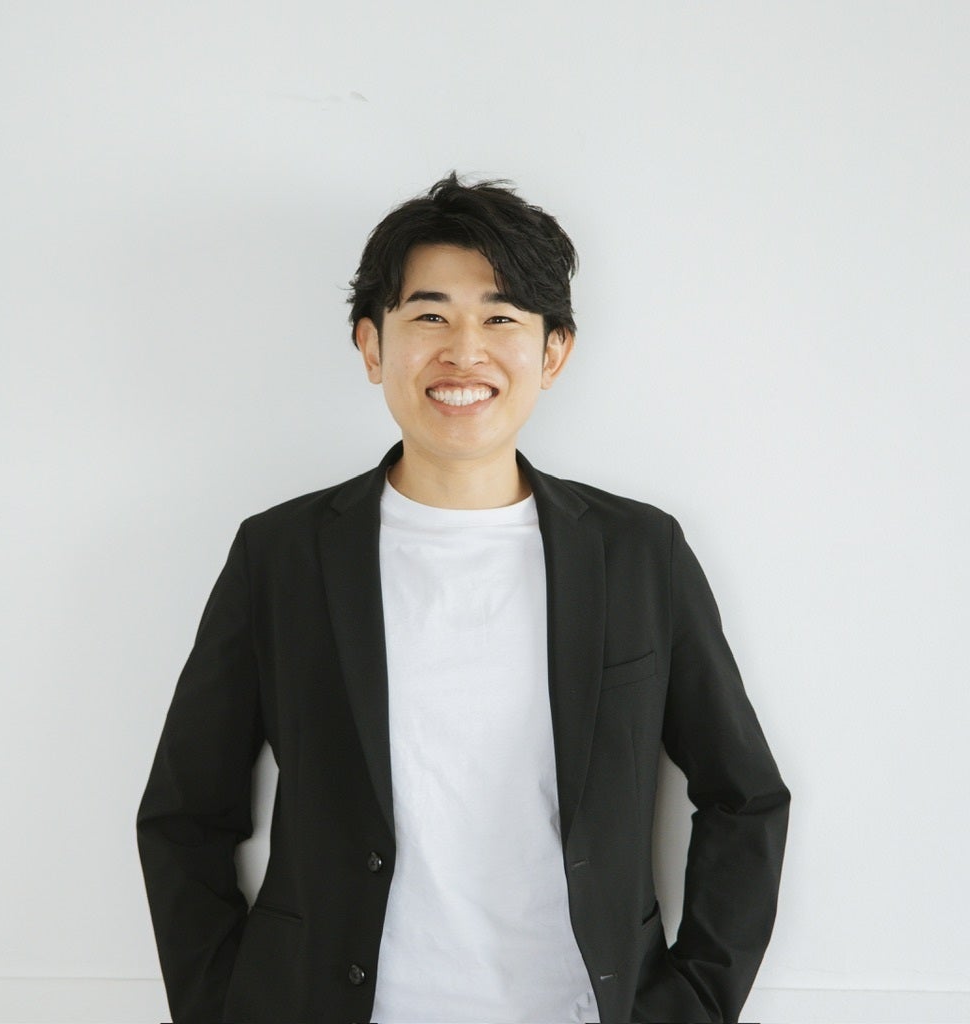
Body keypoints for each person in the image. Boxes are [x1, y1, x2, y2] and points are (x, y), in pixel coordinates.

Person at [136, 172, 790, 1024]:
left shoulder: (638, 553)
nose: (464, 352)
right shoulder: (283, 555)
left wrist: (693, 1006)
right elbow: (186, 814)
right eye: (430, 316)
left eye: (501, 318)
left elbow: (745, 798)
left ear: (553, 352)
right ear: (372, 345)